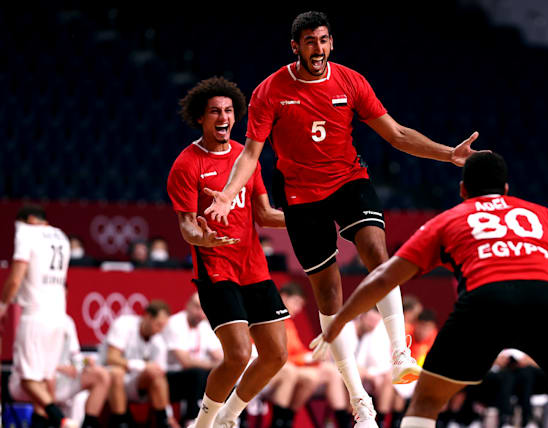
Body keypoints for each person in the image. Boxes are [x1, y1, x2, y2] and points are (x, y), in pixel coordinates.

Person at [203, 12, 485, 425]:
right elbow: (250, 154)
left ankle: (399, 352)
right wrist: (229, 194)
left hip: (349, 180)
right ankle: (359, 400)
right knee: (329, 293)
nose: (317, 48)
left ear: (331, 42)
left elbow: (396, 134)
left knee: (376, 250)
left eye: (323, 40)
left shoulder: (351, 81)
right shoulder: (270, 91)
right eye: (309, 41)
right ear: (295, 47)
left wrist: (449, 155)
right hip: (300, 195)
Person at [321, 152, 548, 428]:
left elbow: (384, 277)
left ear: (462, 190)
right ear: (506, 189)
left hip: (485, 301)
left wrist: (339, 320)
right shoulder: (540, 214)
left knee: (426, 402)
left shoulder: (447, 220)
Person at [167, 76, 290, 428]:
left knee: (276, 355)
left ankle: (228, 418)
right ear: (200, 118)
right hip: (216, 268)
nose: (223, 117)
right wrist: (202, 239)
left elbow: (264, 214)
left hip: (253, 267)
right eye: (215, 112)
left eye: (229, 110)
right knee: (238, 354)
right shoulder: (187, 164)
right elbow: (186, 226)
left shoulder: (245, 157)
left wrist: (311, 220)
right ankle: (203, 424)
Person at [0, 205, 71, 428]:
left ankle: (61, 419)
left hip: (35, 315)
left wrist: (2, 305)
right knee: (46, 377)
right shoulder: (61, 236)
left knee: (28, 379)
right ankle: (44, 424)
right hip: (59, 315)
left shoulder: (26, 233)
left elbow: (16, 278)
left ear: (29, 219)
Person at [268, 283, 352, 428]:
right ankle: (280, 421)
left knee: (329, 371)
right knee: (296, 373)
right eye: (296, 303)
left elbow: (297, 350)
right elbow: (277, 353)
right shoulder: (271, 319)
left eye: (300, 305)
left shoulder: (289, 322)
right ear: (283, 297)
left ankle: (343, 422)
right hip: (276, 367)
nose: (298, 309)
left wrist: (314, 355)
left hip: (293, 364)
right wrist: (308, 358)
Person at [10, 314, 111, 428]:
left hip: (61, 380)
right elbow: (29, 366)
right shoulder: (32, 321)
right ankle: (54, 420)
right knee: (47, 377)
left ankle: (89, 424)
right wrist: (58, 368)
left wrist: (84, 362)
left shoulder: (67, 321)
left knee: (101, 375)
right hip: (30, 382)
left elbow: (76, 358)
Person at [103, 300, 173, 428]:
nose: (160, 330)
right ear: (147, 316)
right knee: (117, 373)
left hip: (136, 385)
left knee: (156, 375)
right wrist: (142, 366)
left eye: (163, 326)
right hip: (106, 379)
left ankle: (164, 421)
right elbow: (111, 358)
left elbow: (161, 376)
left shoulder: (160, 341)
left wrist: (170, 415)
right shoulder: (124, 324)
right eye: (158, 324)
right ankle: (121, 422)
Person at [163, 293, 223, 425]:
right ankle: (192, 419)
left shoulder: (204, 326)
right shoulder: (175, 323)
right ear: (188, 305)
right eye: (197, 307)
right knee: (199, 374)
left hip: (195, 376)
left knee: (225, 375)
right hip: (170, 377)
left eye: (204, 310)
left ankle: (227, 420)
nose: (200, 314)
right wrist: (215, 365)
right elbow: (185, 362)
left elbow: (219, 355)